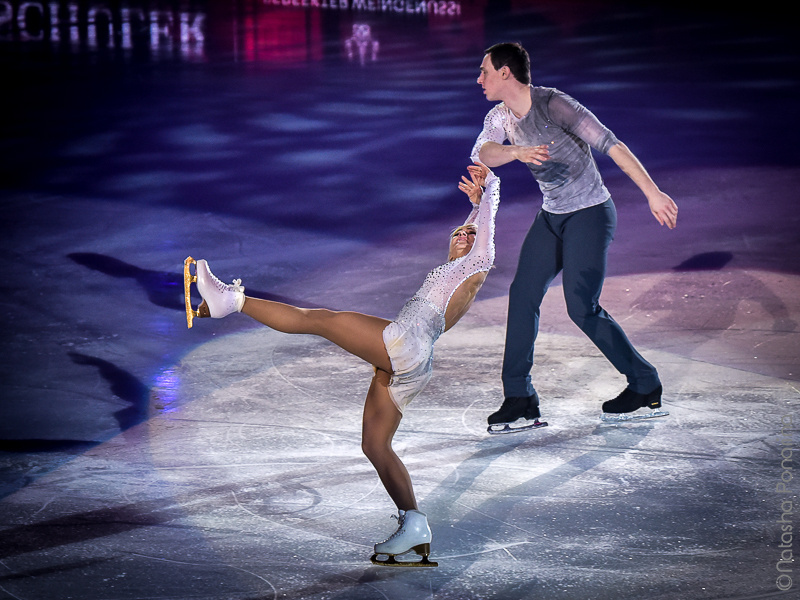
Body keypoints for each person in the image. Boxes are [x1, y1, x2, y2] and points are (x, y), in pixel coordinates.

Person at [183, 163, 499, 566]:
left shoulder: (475, 265)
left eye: (471, 235)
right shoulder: (456, 266)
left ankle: (231, 300)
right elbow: (473, 230)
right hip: (413, 357)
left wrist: (491, 189)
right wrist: (473, 210)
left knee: (321, 319)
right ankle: (414, 526)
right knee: (375, 444)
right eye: (459, 232)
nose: (464, 236)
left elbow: (484, 236)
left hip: (406, 342)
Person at [471, 42, 678, 429]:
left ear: (505, 73)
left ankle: (645, 382)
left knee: (581, 306)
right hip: (552, 216)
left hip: (590, 214)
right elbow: (485, 152)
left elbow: (611, 145)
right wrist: (516, 153)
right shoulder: (501, 117)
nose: (478, 78)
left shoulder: (554, 105)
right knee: (523, 295)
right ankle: (520, 397)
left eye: (484, 70)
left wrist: (653, 192)